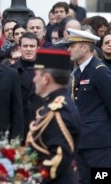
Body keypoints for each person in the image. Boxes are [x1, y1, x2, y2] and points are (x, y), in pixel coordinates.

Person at [26, 48, 81, 184]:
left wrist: (31, 178)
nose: (33, 79)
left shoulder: (59, 110)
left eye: (36, 74)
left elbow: (58, 160)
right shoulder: (53, 104)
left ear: (46, 79)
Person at [67, 28, 111, 184]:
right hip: (81, 142)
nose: (68, 49)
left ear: (85, 47)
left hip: (99, 144)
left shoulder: (99, 71)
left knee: (101, 180)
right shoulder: (77, 72)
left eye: (72, 46)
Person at [10, 32, 43, 144]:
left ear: (38, 48)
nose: (28, 49)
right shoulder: (9, 71)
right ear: (19, 48)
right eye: (25, 46)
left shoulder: (48, 71)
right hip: (18, 129)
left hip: (41, 127)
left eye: (32, 46)